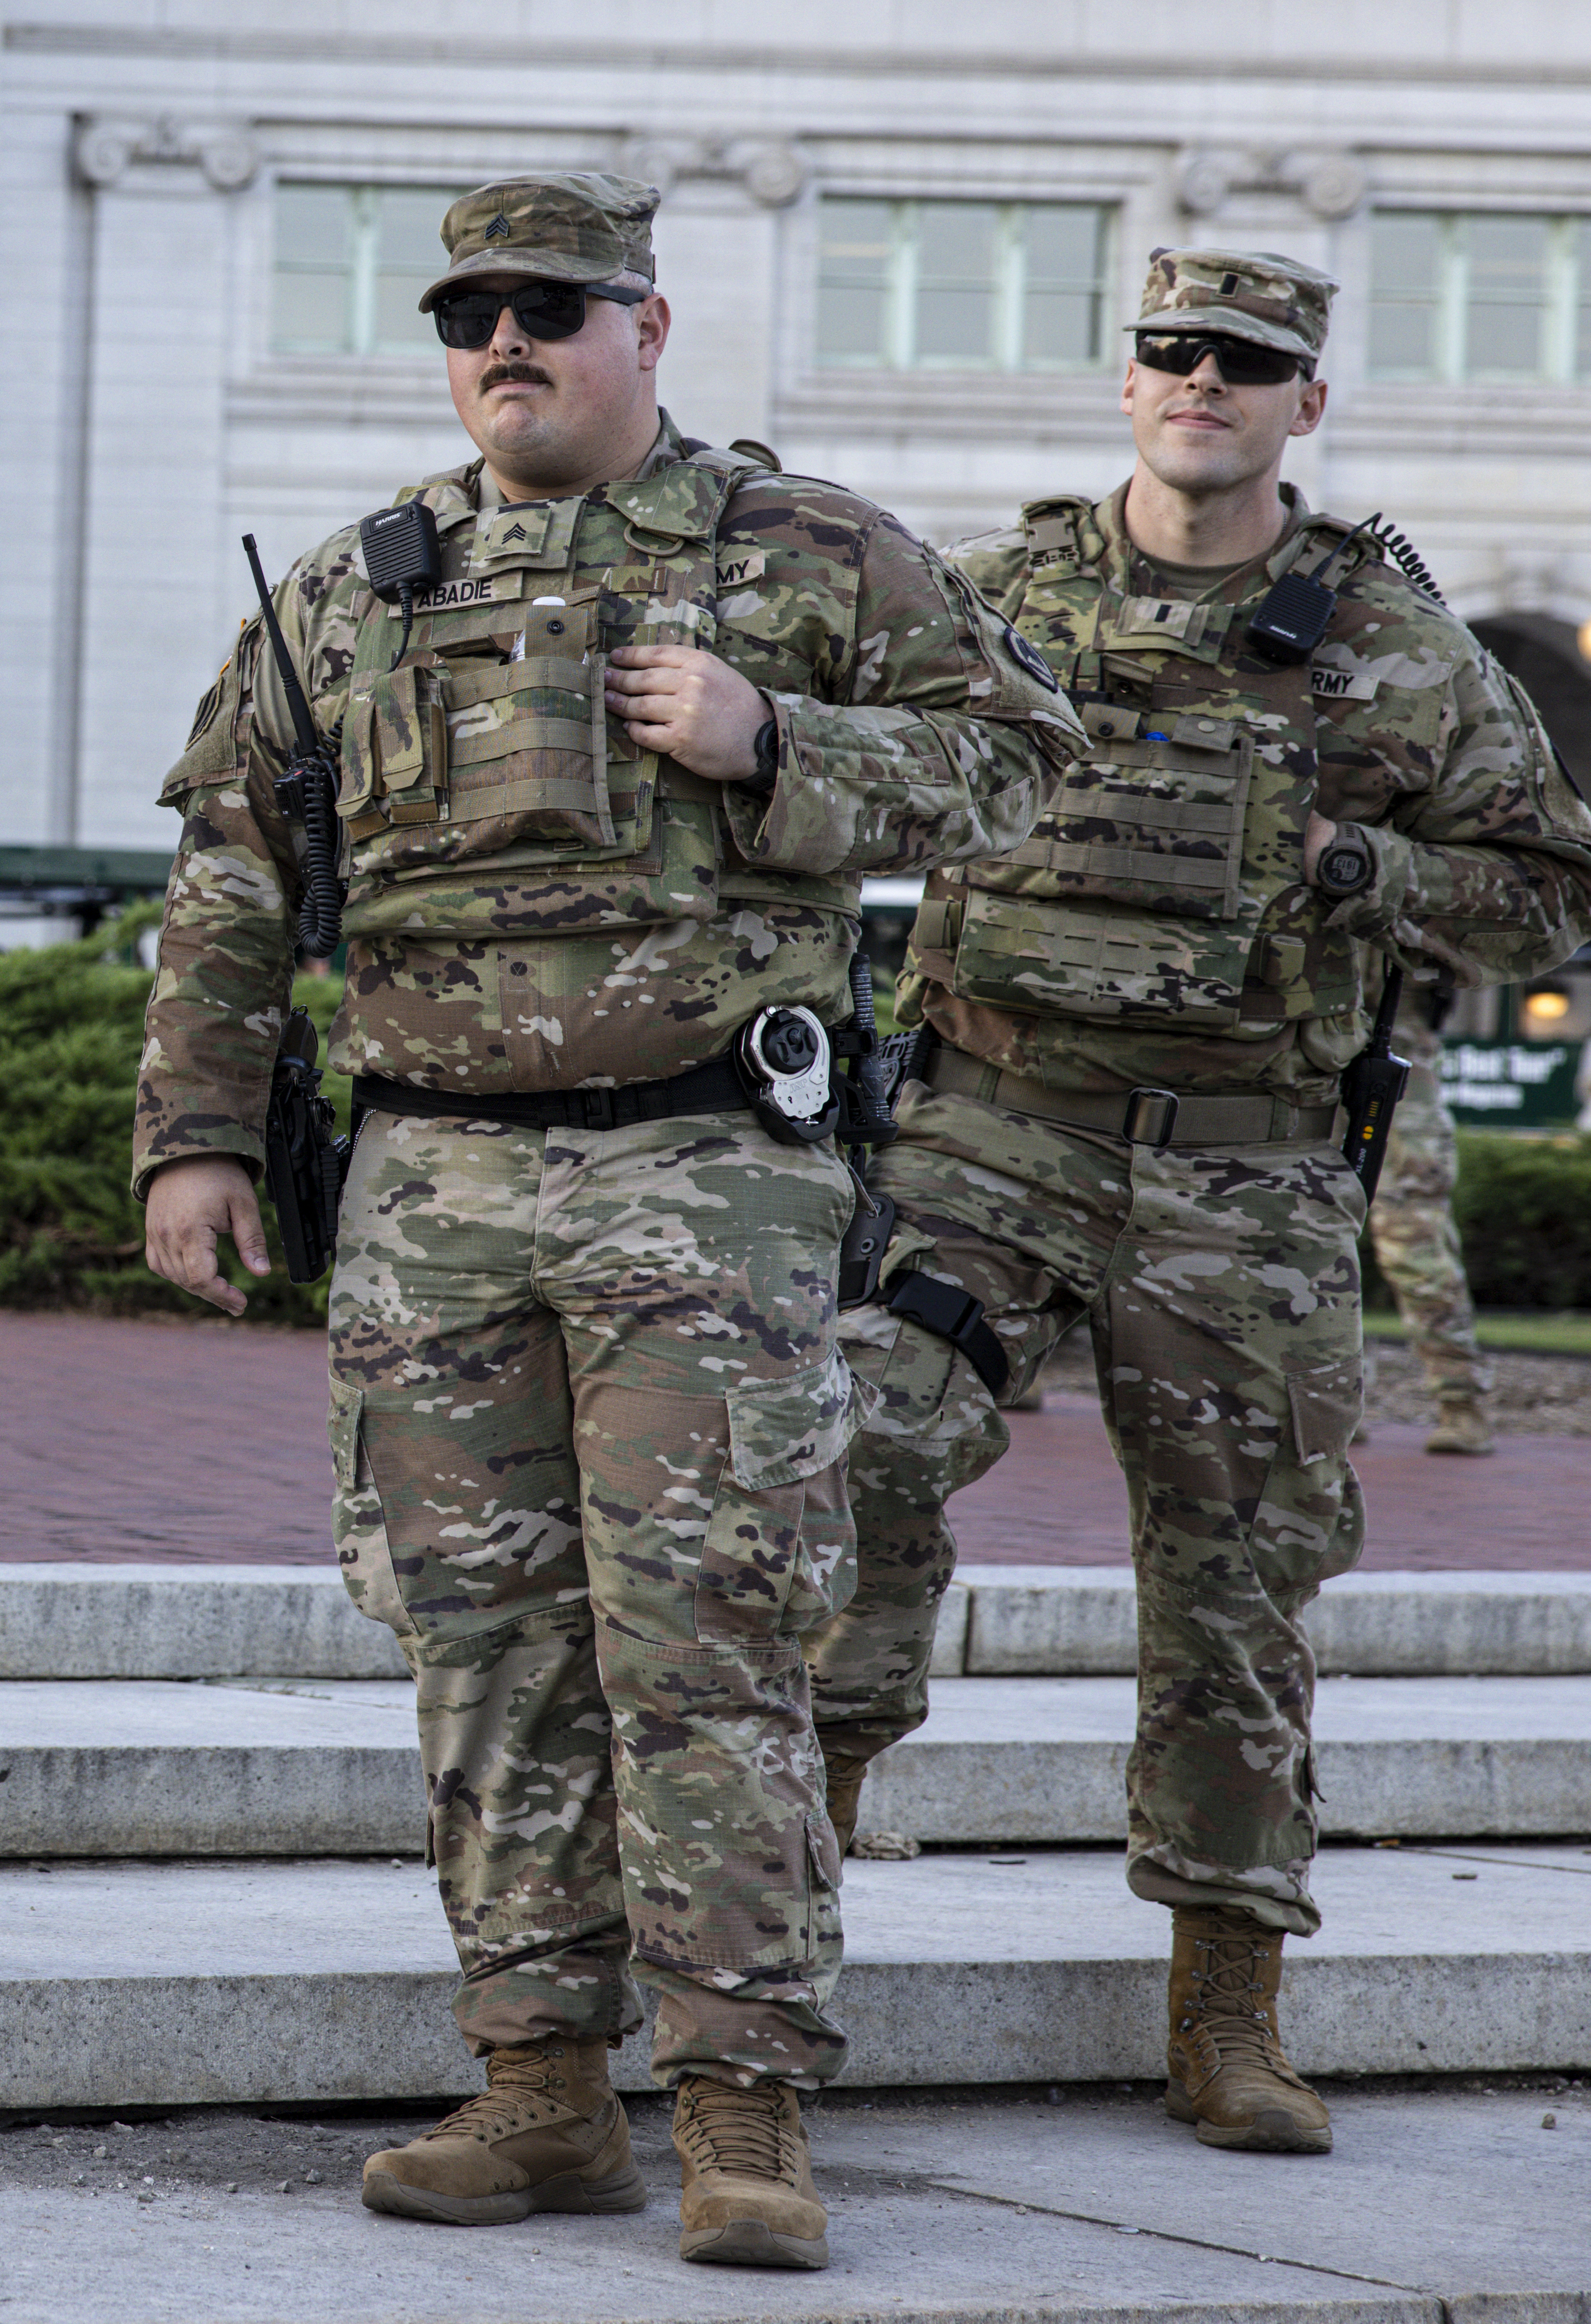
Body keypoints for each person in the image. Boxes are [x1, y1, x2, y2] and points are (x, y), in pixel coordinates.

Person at [136, 173, 1077, 2273]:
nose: (505, 344)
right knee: (478, 1646)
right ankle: (544, 2088)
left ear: (647, 324)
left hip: (702, 1173)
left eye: (550, 307)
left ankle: (742, 2109)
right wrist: (195, 1136)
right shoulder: (353, 587)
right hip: (427, 1188)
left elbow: (1026, 774)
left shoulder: (803, 551)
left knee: (711, 1630)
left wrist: (779, 747)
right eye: (471, 311)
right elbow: (223, 873)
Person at [809, 248, 1591, 2156]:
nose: (1198, 381)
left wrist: (1351, 867)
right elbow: (825, 782)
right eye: (1169, 349)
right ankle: (769, 1936)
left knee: (1236, 1588)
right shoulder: (991, 602)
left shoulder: (1396, 650)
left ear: (1299, 402)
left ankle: (1225, 2003)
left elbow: (1546, 894)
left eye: (1243, 361)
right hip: (986, 1129)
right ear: (1127, 373)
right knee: (843, 1464)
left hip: (1240, 1167)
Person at [1366, 961, 1492, 1456]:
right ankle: (1321, 1403)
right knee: (1298, 1254)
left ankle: (1460, 1401)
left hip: (1400, 1092)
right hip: (1301, 1081)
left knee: (1416, 1252)